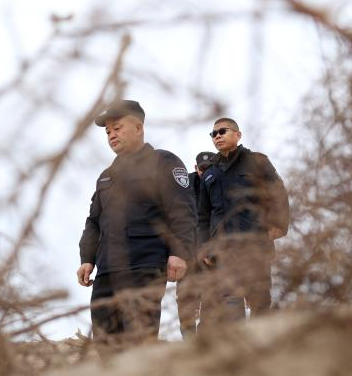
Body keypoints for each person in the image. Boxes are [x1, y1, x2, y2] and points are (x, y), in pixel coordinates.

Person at [77, 100, 197, 344]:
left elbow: (182, 211)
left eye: (117, 128)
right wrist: (87, 258)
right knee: (105, 343)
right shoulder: (106, 176)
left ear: (139, 128)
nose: (111, 135)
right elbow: (93, 221)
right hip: (107, 272)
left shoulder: (164, 162)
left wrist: (179, 253)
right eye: (108, 132)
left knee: (138, 341)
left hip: (145, 266)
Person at [197, 117, 289, 324]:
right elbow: (203, 215)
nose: (217, 136)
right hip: (223, 248)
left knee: (259, 299)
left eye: (222, 131)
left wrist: (279, 225)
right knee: (230, 299)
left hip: (255, 242)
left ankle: (261, 342)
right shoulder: (210, 174)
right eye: (213, 134)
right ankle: (237, 343)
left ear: (238, 135)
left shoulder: (257, 162)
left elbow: (278, 193)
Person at [176, 150, 215, 339]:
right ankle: (189, 340)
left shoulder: (220, 183)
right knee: (185, 298)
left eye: (209, 168)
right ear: (196, 168)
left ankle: (205, 340)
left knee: (211, 296)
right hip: (188, 252)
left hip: (210, 252)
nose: (205, 171)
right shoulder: (184, 186)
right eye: (202, 168)